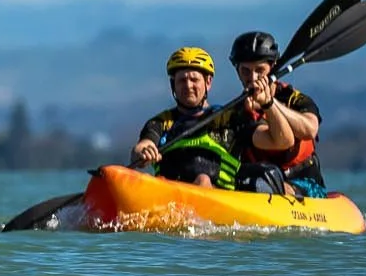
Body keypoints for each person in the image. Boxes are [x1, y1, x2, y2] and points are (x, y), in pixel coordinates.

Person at [204, 30, 327, 196]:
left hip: (304, 182)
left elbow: (310, 129)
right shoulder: (239, 113)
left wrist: (269, 103)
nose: (253, 78)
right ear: (237, 71)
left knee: (269, 183)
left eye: (260, 70)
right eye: (246, 71)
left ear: (272, 67)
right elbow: (278, 141)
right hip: (262, 181)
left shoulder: (294, 98)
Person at [131, 47, 223, 185]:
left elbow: (260, 138)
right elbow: (142, 146)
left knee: (203, 180)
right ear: (173, 84)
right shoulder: (161, 122)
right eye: (182, 80)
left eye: (194, 79)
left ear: (208, 82)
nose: (188, 85)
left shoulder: (227, 118)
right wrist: (143, 152)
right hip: (170, 195)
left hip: (219, 194)